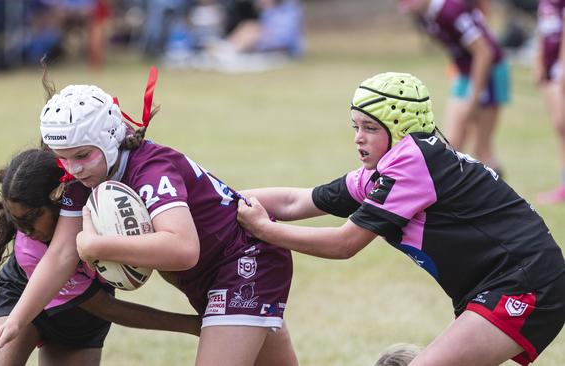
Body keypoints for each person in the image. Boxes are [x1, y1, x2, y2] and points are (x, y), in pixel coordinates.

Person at [0, 68, 298, 366]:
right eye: (64, 159)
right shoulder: (84, 177)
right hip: (207, 278)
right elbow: (63, 253)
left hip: (243, 264)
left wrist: (98, 246)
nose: (74, 168)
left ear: (110, 138)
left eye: (82, 155)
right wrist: (17, 321)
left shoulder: (151, 169)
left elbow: (183, 249)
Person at [237, 72, 565, 365]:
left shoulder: (413, 162)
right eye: (356, 127)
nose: (358, 137)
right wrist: (217, 197)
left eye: (370, 128)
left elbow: (344, 243)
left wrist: (265, 230)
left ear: (400, 130)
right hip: (500, 283)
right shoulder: (387, 169)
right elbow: (296, 201)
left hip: (527, 282)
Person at [0, 148, 201, 364]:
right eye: (16, 220)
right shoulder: (30, 250)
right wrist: (191, 324)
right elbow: (106, 307)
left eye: (31, 218)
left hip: (79, 320)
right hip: (22, 295)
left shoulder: (101, 211)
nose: (24, 230)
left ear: (58, 199)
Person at [397, 0, 510, 175]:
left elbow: (484, 52)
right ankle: (453, 197)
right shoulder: (424, 16)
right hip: (465, 74)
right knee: (452, 144)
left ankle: (500, 198)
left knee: (482, 148)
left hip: (489, 73)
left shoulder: (451, 11)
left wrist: (473, 98)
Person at [534, 0, 565, 204]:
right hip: (549, 69)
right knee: (559, 127)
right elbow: (542, 30)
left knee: (562, 124)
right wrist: (538, 62)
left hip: (559, 69)